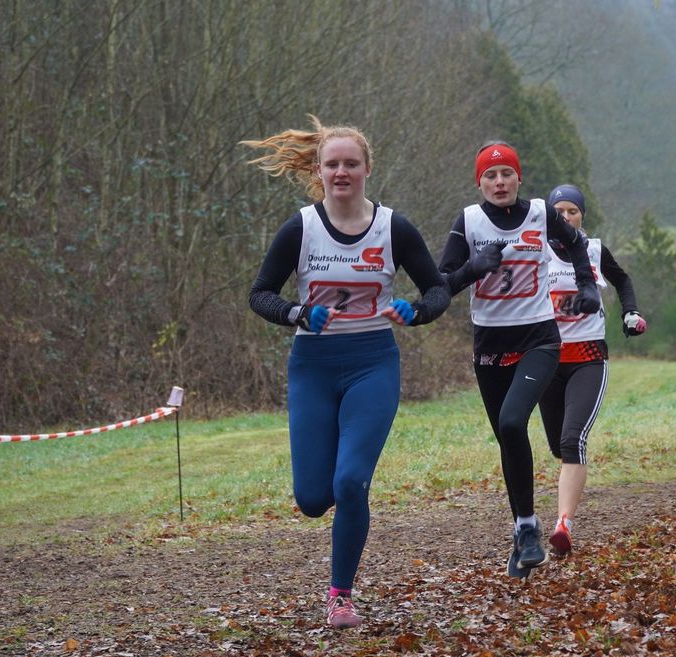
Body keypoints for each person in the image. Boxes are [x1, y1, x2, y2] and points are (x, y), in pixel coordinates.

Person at [244, 117, 450, 628]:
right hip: (312, 366)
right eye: (332, 164)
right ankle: (332, 523)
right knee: (314, 499)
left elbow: (438, 290)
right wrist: (297, 313)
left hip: (372, 362)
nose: (342, 172)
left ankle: (341, 596)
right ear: (319, 170)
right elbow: (260, 294)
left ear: (367, 169)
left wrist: (415, 311)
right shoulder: (301, 228)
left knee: (351, 482)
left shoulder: (393, 228)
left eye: (350, 164)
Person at [438, 143, 601, 578]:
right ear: (480, 183)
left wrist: (587, 285)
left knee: (513, 422)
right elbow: (440, 284)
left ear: (519, 178)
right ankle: (523, 530)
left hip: (539, 339)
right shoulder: (468, 222)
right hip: (490, 345)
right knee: (508, 438)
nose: (499, 182)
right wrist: (473, 268)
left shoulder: (539, 214)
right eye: (490, 176)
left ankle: (528, 529)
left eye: (507, 174)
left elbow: (577, 245)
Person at [536, 184, 646, 557]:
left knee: (572, 441)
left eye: (573, 212)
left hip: (587, 357)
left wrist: (630, 312)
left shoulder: (594, 250)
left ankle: (563, 524)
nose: (566, 218)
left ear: (582, 216)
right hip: (547, 359)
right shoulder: (534, 252)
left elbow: (623, 280)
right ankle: (568, 489)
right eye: (559, 212)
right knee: (558, 445)